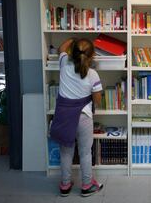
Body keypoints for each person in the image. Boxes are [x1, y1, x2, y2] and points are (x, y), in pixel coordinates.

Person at [50, 38, 103, 197]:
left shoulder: (64, 63)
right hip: (83, 116)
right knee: (85, 152)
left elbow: (61, 47)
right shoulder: (93, 74)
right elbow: (97, 99)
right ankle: (87, 185)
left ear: (72, 52)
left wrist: (74, 39)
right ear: (92, 55)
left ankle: (65, 185)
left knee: (66, 151)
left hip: (64, 115)